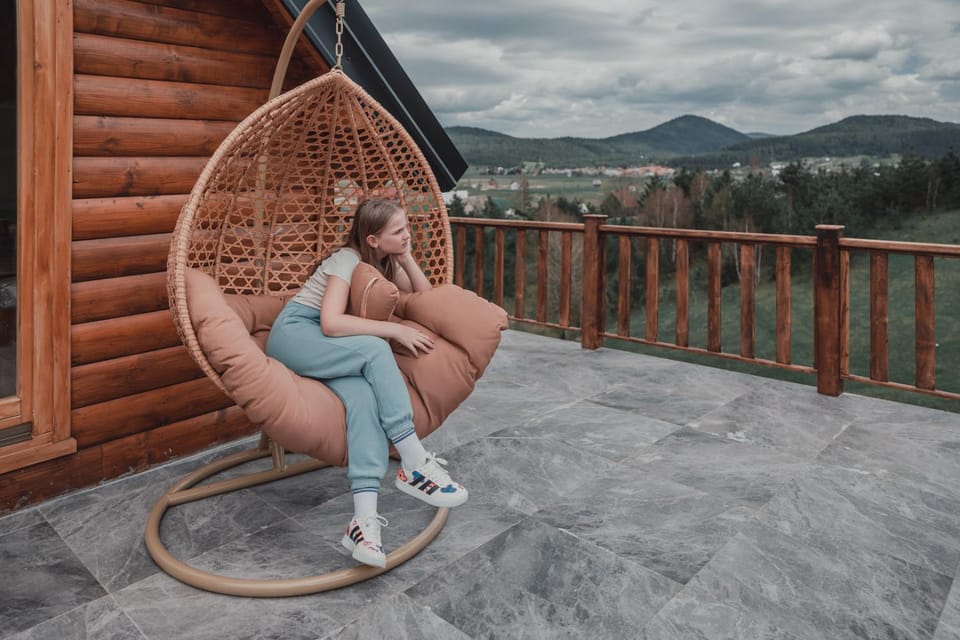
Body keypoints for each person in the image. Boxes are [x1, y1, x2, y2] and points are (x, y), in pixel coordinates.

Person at [265, 198, 468, 569]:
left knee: (362, 401)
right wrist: (391, 329)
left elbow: (425, 294)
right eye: (398, 232)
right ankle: (413, 461)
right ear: (372, 240)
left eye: (407, 228)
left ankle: (363, 522)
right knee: (376, 350)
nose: (407, 234)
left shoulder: (384, 263)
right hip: (296, 334)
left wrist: (404, 255)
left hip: (326, 347)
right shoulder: (346, 258)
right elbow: (329, 322)